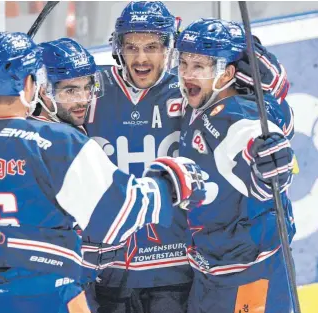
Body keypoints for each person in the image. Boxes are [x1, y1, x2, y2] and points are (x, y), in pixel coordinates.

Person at [0, 31, 206, 313]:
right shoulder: (59, 143)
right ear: (31, 83)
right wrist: (171, 182)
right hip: (47, 300)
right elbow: (118, 216)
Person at [85, 2, 294, 313]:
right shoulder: (90, 91)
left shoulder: (194, 94)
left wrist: (256, 59)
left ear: (169, 47)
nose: (141, 57)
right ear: (119, 48)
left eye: (153, 46)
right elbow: (46, 108)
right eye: (132, 47)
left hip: (180, 271)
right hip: (111, 271)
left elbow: (257, 117)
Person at [170, 18, 296, 313]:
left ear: (226, 74)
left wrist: (267, 161)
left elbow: (249, 139)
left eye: (199, 66)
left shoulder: (233, 114)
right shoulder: (203, 103)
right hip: (215, 269)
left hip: (251, 274)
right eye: (184, 63)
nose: (188, 74)